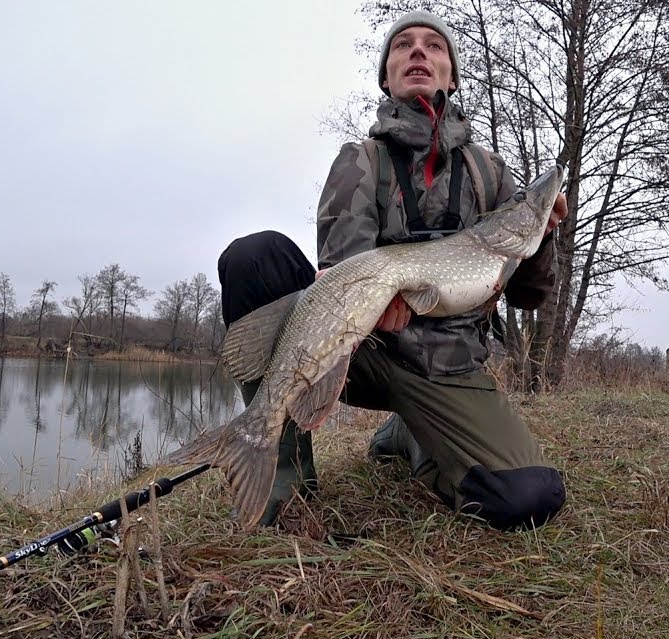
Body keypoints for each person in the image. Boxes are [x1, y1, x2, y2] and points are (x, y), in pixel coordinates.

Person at [216, 10, 568, 531]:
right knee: (253, 259)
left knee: (527, 498)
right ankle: (281, 480)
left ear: (451, 74)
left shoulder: (490, 173)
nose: (419, 51)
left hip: (449, 369)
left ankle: (410, 435)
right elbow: (345, 268)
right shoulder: (360, 161)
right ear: (387, 75)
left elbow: (531, 297)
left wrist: (543, 236)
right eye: (404, 45)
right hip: (365, 354)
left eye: (434, 46)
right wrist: (378, 305)